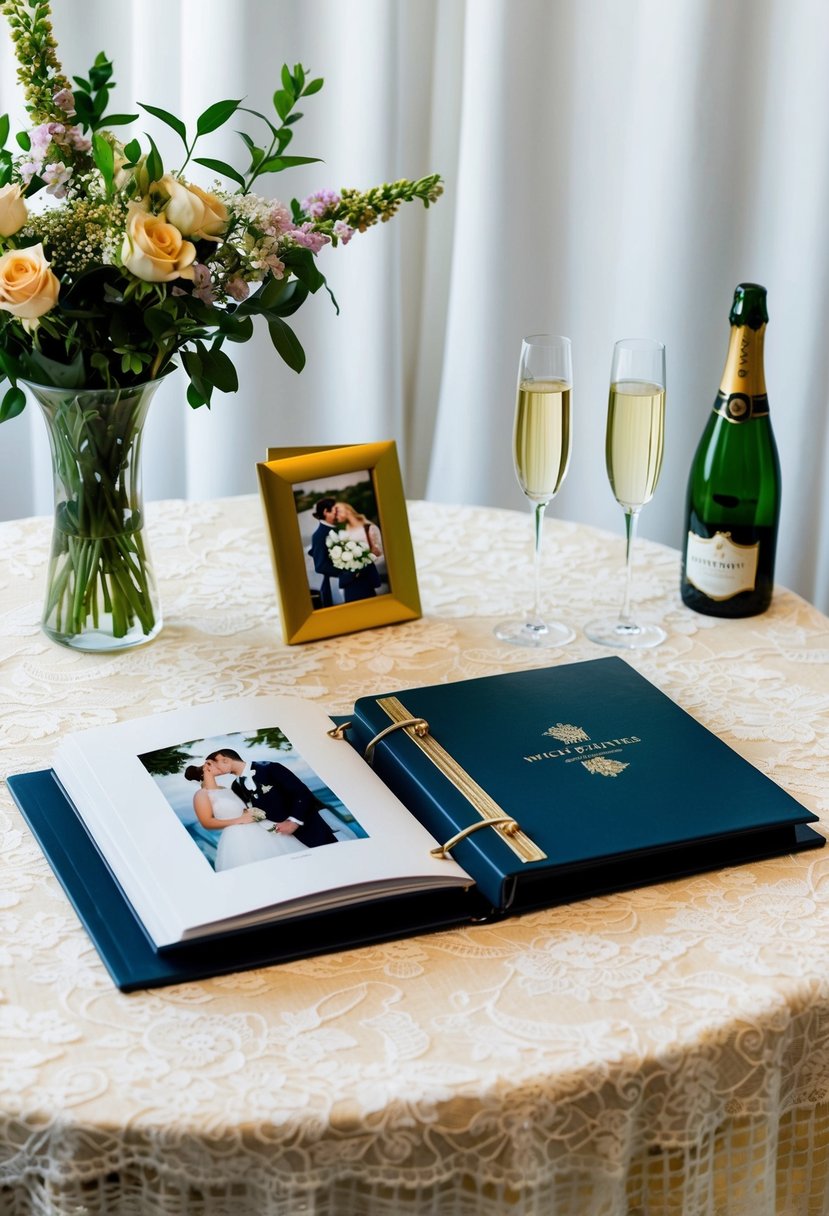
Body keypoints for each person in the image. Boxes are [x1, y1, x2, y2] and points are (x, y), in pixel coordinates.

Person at [185, 758, 309, 872]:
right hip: (238, 837)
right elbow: (207, 823)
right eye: (213, 765)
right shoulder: (201, 794)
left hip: (259, 828)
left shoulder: (226, 789)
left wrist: (249, 813)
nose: (220, 767)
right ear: (206, 769)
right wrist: (241, 819)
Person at [206, 747, 337, 848]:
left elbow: (302, 793)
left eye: (216, 765)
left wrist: (294, 822)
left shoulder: (270, 768)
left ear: (225, 760)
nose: (216, 770)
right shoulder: (235, 786)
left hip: (309, 826)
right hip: (280, 838)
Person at [333, 500, 383, 602]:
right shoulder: (343, 534)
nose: (335, 516)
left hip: (368, 578)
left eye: (337, 511)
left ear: (345, 509)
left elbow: (379, 553)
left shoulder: (369, 527)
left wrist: (361, 563)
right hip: (351, 582)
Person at [308, 497, 341, 607]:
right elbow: (320, 566)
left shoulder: (336, 530)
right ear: (325, 512)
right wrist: (348, 572)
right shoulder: (319, 535)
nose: (338, 514)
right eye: (335, 511)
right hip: (334, 587)